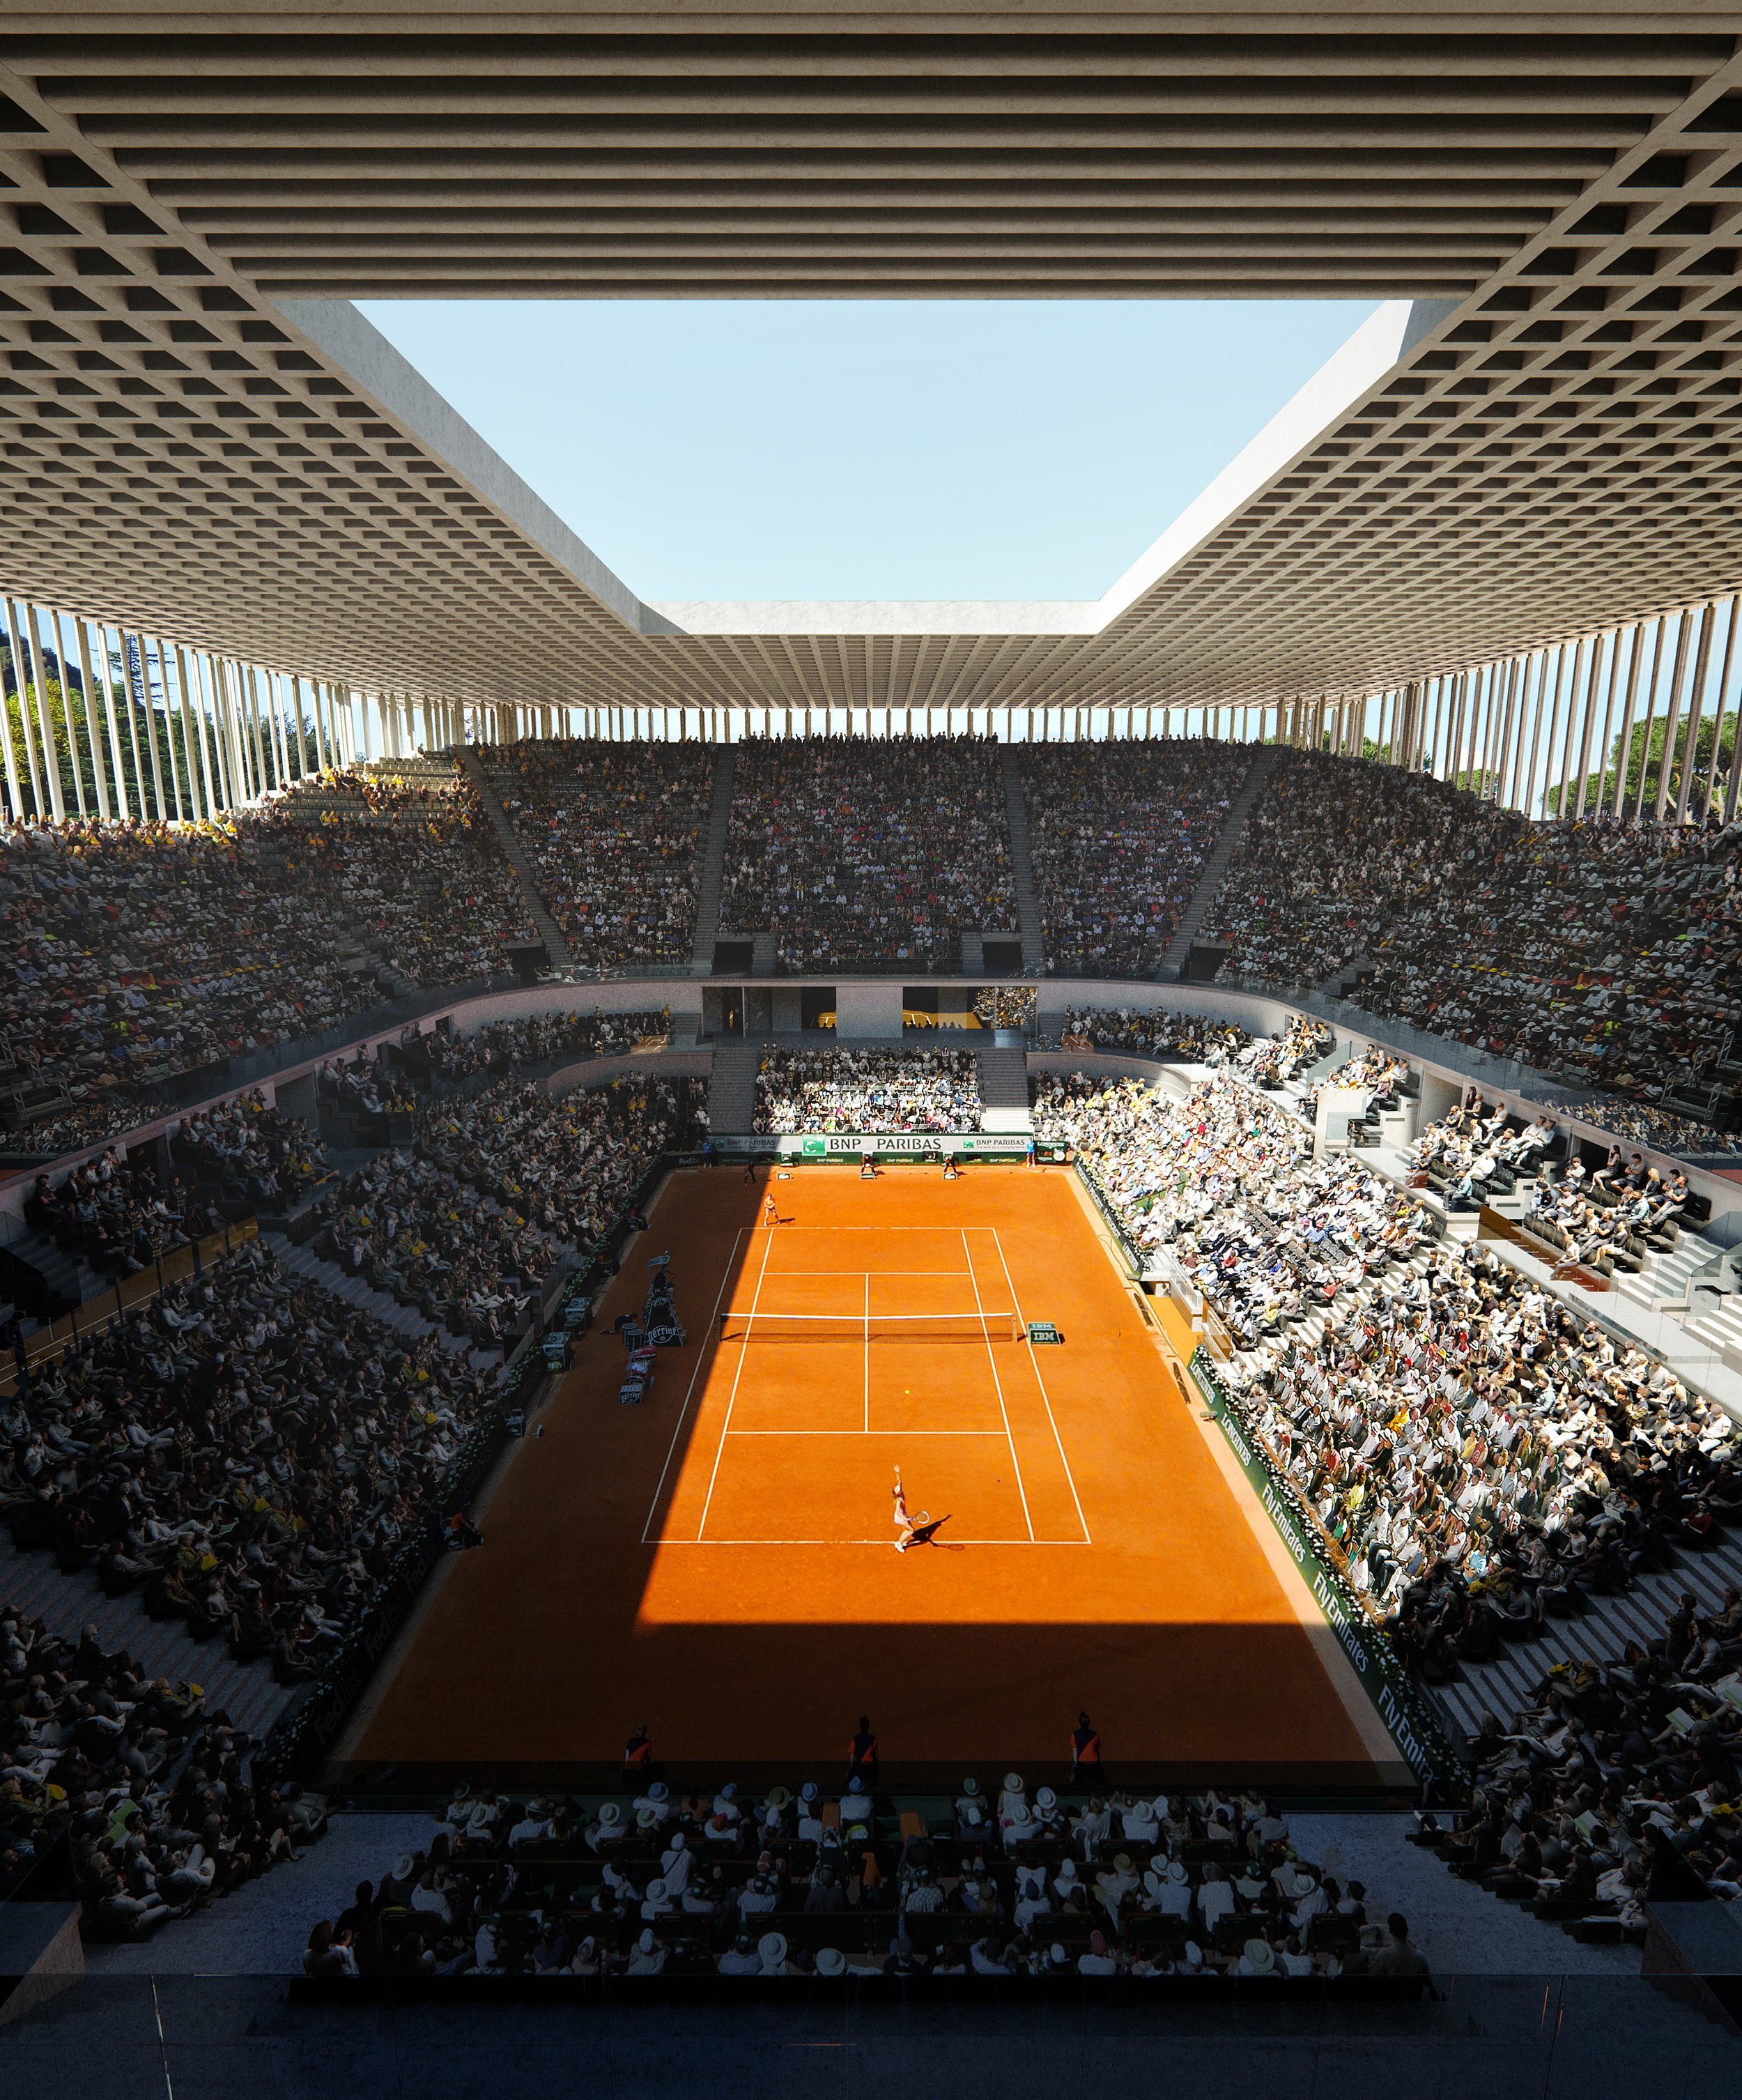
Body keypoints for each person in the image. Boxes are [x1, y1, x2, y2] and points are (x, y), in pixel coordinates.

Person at [847, 1715, 879, 1786]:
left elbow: (852, 1756)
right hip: (869, 1768)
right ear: (868, 1726)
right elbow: (876, 1756)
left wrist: (851, 1769)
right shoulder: (873, 1739)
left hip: (859, 1768)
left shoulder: (856, 1739)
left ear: (860, 1726)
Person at [1070, 1712, 1102, 1782]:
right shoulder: (1095, 1735)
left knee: (1075, 1782)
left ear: (1080, 1723)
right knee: (1101, 1781)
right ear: (1089, 1723)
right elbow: (1097, 1750)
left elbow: (1075, 1751)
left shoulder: (1075, 1734)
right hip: (1094, 1766)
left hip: (1081, 1766)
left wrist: (1076, 1765)